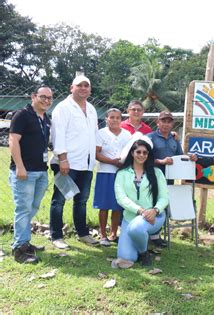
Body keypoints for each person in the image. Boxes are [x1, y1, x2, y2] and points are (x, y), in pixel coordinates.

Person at [49, 75, 99, 249]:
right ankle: (56, 236)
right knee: (59, 200)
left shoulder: (91, 109)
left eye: (87, 85)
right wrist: (62, 159)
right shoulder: (63, 108)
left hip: (86, 164)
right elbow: (57, 134)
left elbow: (94, 134)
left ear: (90, 89)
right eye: (80, 85)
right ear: (72, 88)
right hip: (66, 163)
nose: (83, 88)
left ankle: (83, 234)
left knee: (82, 200)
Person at [8, 86, 53, 263]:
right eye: (43, 97)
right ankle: (19, 249)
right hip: (24, 172)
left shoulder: (45, 118)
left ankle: (25, 242)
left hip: (41, 171)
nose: (47, 101)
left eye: (50, 98)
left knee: (31, 208)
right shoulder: (22, 115)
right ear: (33, 96)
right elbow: (13, 140)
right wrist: (20, 166)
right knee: (23, 209)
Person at [114, 137, 168, 266]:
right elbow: (121, 198)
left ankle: (144, 254)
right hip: (130, 217)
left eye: (145, 152)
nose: (141, 155)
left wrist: (155, 210)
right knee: (126, 257)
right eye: (138, 152)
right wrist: (141, 211)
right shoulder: (122, 173)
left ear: (148, 155)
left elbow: (164, 197)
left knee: (136, 228)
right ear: (132, 153)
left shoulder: (157, 173)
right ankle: (141, 248)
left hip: (155, 216)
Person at [147, 111, 196, 246]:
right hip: (153, 177)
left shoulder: (174, 139)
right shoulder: (150, 137)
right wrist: (161, 161)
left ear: (172, 124)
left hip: (169, 179)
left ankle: (156, 236)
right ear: (158, 122)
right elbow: (144, 157)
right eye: (163, 121)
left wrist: (190, 157)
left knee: (163, 206)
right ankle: (147, 233)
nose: (166, 124)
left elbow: (180, 156)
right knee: (150, 205)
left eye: (169, 121)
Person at [93, 108, 132, 246]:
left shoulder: (127, 134)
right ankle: (103, 235)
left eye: (117, 117)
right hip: (105, 172)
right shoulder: (100, 134)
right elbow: (96, 154)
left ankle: (113, 233)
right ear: (106, 119)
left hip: (121, 173)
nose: (115, 120)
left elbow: (131, 152)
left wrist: (123, 164)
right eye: (112, 117)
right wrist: (112, 162)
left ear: (121, 120)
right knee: (104, 205)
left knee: (117, 205)